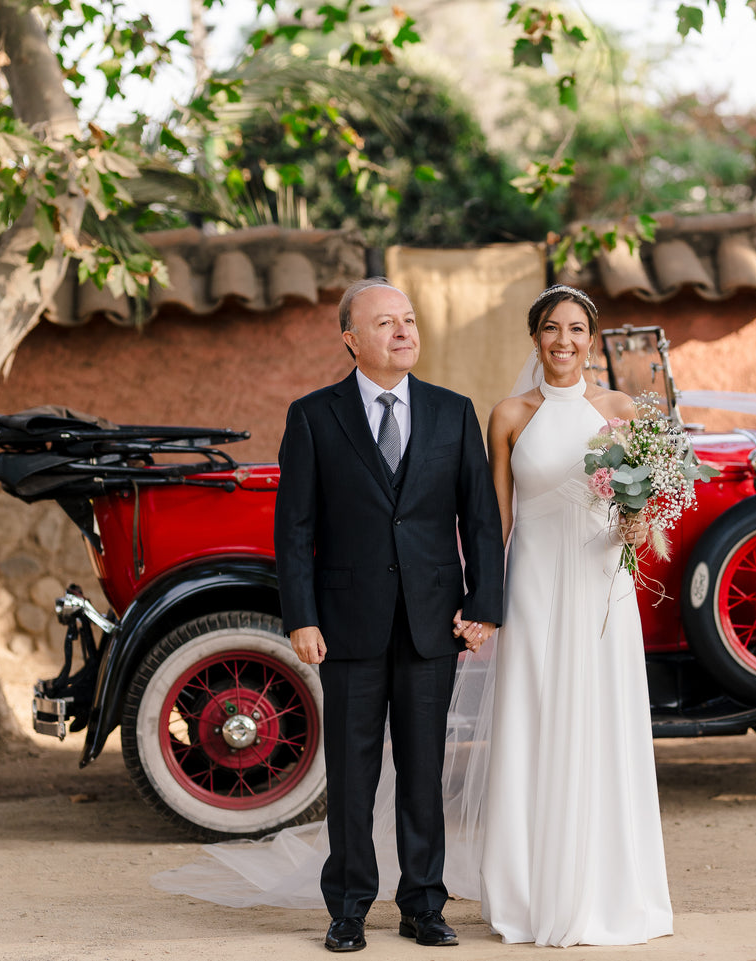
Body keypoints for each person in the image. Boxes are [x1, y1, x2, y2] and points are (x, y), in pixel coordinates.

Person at [272, 277, 506, 953]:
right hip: (345, 623)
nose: (402, 331)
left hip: (433, 621)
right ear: (351, 339)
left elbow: (480, 518)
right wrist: (301, 616)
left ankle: (423, 905)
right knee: (351, 773)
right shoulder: (314, 416)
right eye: (385, 323)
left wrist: (482, 602)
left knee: (424, 773)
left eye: (408, 320)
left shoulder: (452, 411)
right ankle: (347, 907)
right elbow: (295, 528)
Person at [461, 284, 674, 946]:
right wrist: (481, 606)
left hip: (596, 583)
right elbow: (493, 522)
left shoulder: (621, 411)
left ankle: (604, 890)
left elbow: (639, 519)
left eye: (576, 329)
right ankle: (528, 894)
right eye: (550, 328)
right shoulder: (506, 414)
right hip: (530, 582)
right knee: (531, 721)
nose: (563, 341)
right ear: (534, 338)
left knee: (599, 722)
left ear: (591, 337)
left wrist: (637, 520)